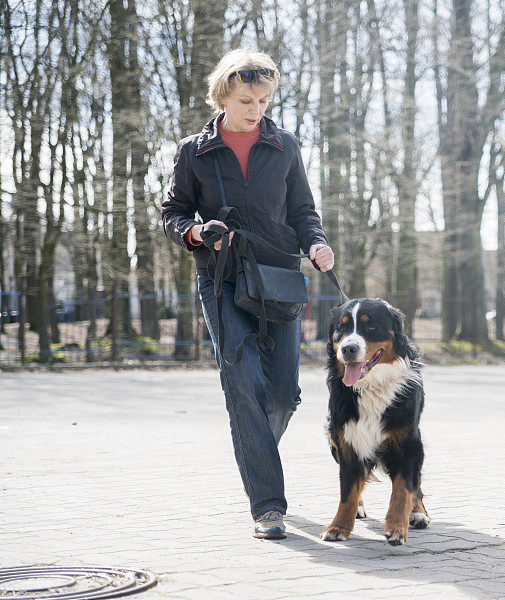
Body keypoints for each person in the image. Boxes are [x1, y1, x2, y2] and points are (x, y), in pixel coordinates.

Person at [161, 48, 334, 540]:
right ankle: (267, 504)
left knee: (283, 391)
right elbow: (173, 212)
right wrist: (194, 233)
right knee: (242, 385)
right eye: (245, 100)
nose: (255, 109)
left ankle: (253, 450)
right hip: (220, 278)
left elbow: (303, 211)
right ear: (223, 96)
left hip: (279, 278)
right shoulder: (194, 151)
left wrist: (317, 244)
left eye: (262, 99)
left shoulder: (285, 146)